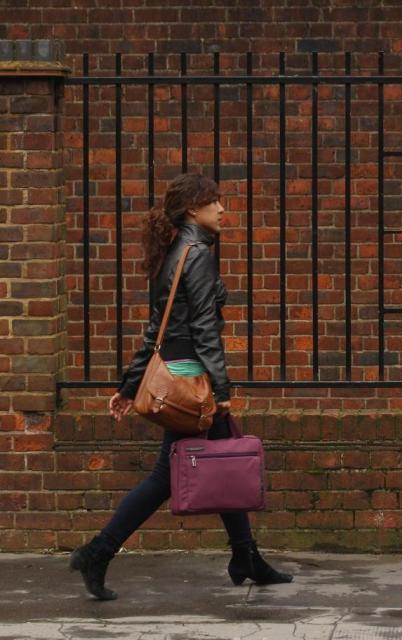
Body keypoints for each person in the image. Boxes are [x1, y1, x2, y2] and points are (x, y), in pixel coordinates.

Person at [69, 173, 293, 600]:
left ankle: (246, 556)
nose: (223, 210)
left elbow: (157, 328)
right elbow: (203, 327)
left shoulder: (175, 252)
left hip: (177, 371)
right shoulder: (199, 254)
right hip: (192, 383)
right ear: (194, 209)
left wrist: (130, 385)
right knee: (164, 478)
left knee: (226, 456)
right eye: (215, 202)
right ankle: (98, 551)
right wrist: (222, 389)